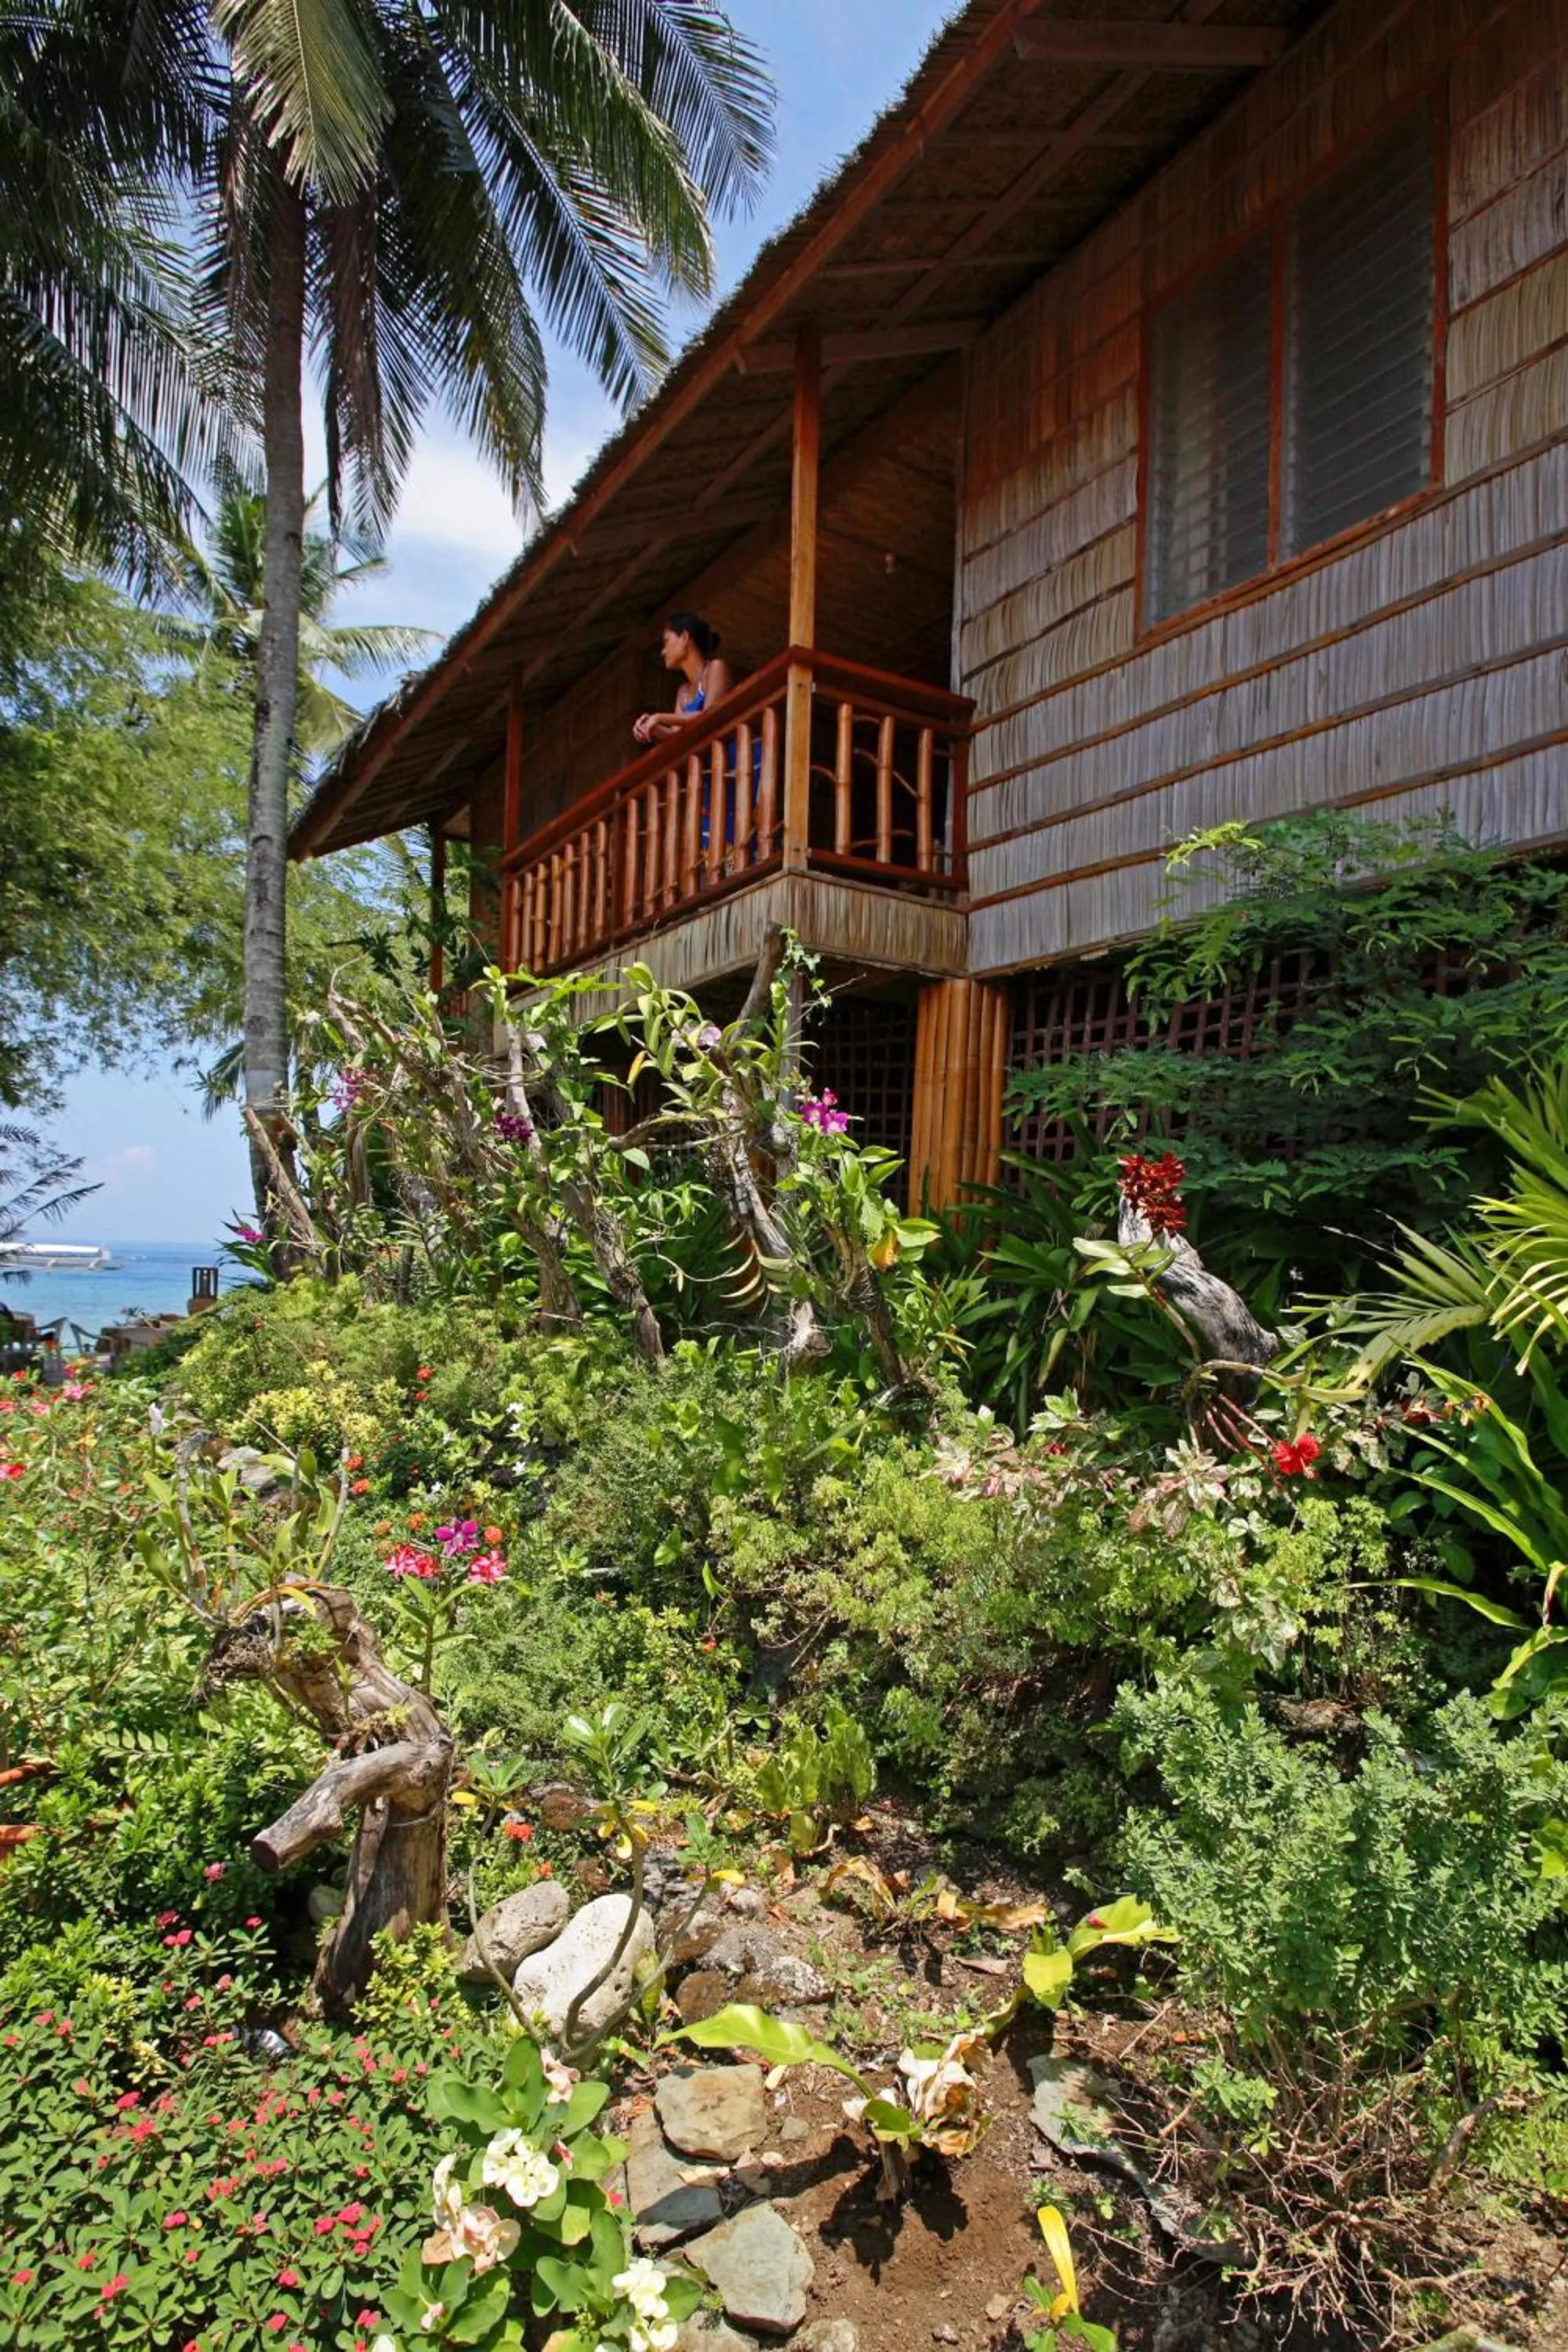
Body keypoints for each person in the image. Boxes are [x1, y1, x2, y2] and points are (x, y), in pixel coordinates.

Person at [632, 613, 731, 746]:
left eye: (666, 641)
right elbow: (676, 735)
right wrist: (651, 728)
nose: (663, 652)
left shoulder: (716, 668)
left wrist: (659, 717)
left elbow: (709, 716)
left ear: (684, 638)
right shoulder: (683, 692)